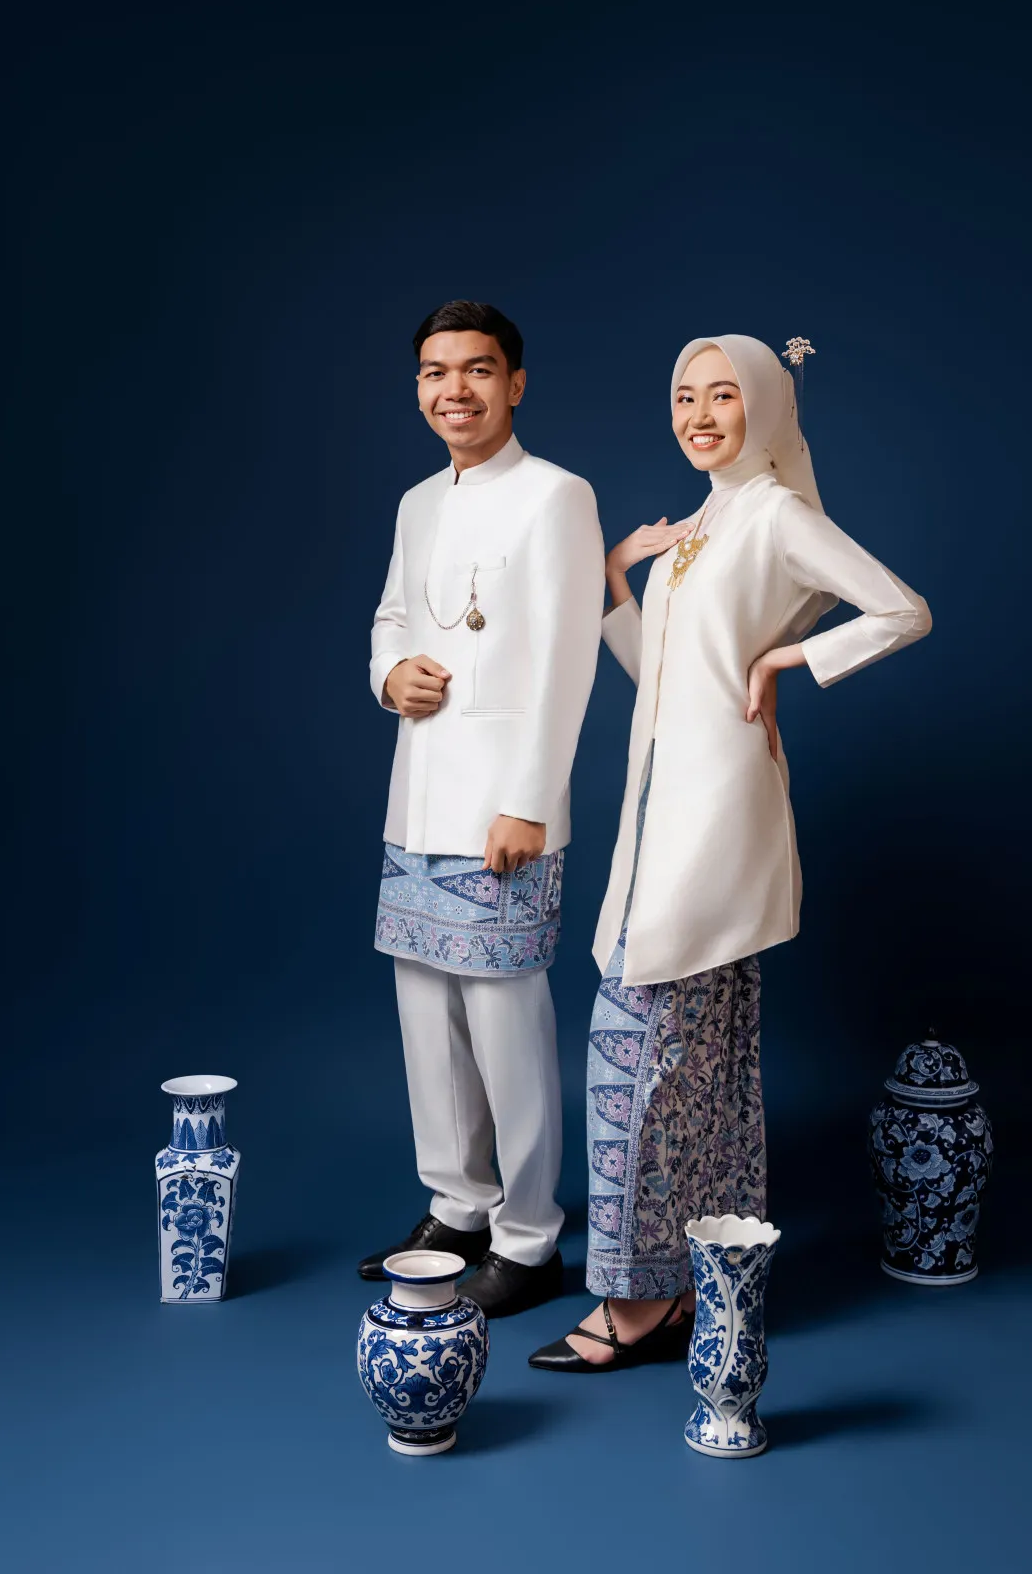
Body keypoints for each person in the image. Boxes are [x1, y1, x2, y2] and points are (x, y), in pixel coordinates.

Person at [528, 332, 932, 1370]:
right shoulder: (697, 526)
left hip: (716, 815)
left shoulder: (776, 516)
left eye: (722, 395)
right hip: (658, 812)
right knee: (696, 1063)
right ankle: (695, 1286)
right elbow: (668, 677)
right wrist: (619, 579)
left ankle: (635, 1302)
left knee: (646, 1052)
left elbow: (903, 609)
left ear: (764, 404)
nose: (700, 416)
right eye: (684, 397)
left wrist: (793, 655)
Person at [360, 300, 605, 1318]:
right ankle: (458, 1205)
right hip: (419, 791)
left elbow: (569, 660)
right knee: (426, 1011)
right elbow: (390, 617)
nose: (453, 390)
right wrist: (390, 674)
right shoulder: (418, 501)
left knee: (505, 1019)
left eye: (476, 369)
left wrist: (529, 802)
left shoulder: (557, 495)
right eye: (434, 372)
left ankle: (530, 1233)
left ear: (515, 383)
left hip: (505, 803)